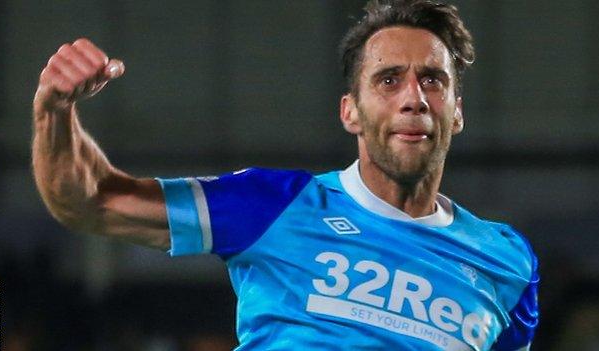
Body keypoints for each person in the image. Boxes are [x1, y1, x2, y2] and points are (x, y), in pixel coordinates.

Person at [32, 0, 539, 350]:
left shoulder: (507, 261)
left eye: (433, 80)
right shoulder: (274, 204)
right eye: (388, 80)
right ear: (351, 112)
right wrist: (54, 111)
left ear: (455, 112)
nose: (414, 98)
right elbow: (90, 200)